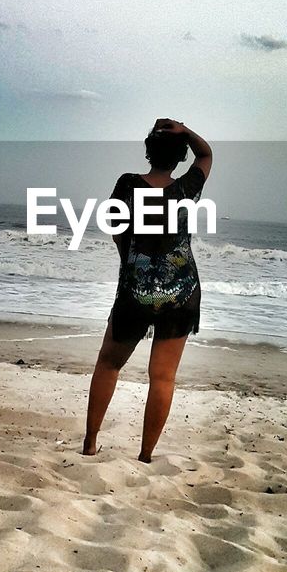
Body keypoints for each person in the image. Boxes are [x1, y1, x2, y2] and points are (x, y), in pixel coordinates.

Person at [82, 119, 213, 463]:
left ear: (148, 150)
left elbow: (115, 227)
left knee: (109, 364)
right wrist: (184, 130)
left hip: (135, 290)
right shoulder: (186, 188)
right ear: (180, 156)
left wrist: (130, 257)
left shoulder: (127, 185)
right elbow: (207, 153)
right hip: (182, 292)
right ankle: (145, 455)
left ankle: (90, 443)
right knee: (163, 377)